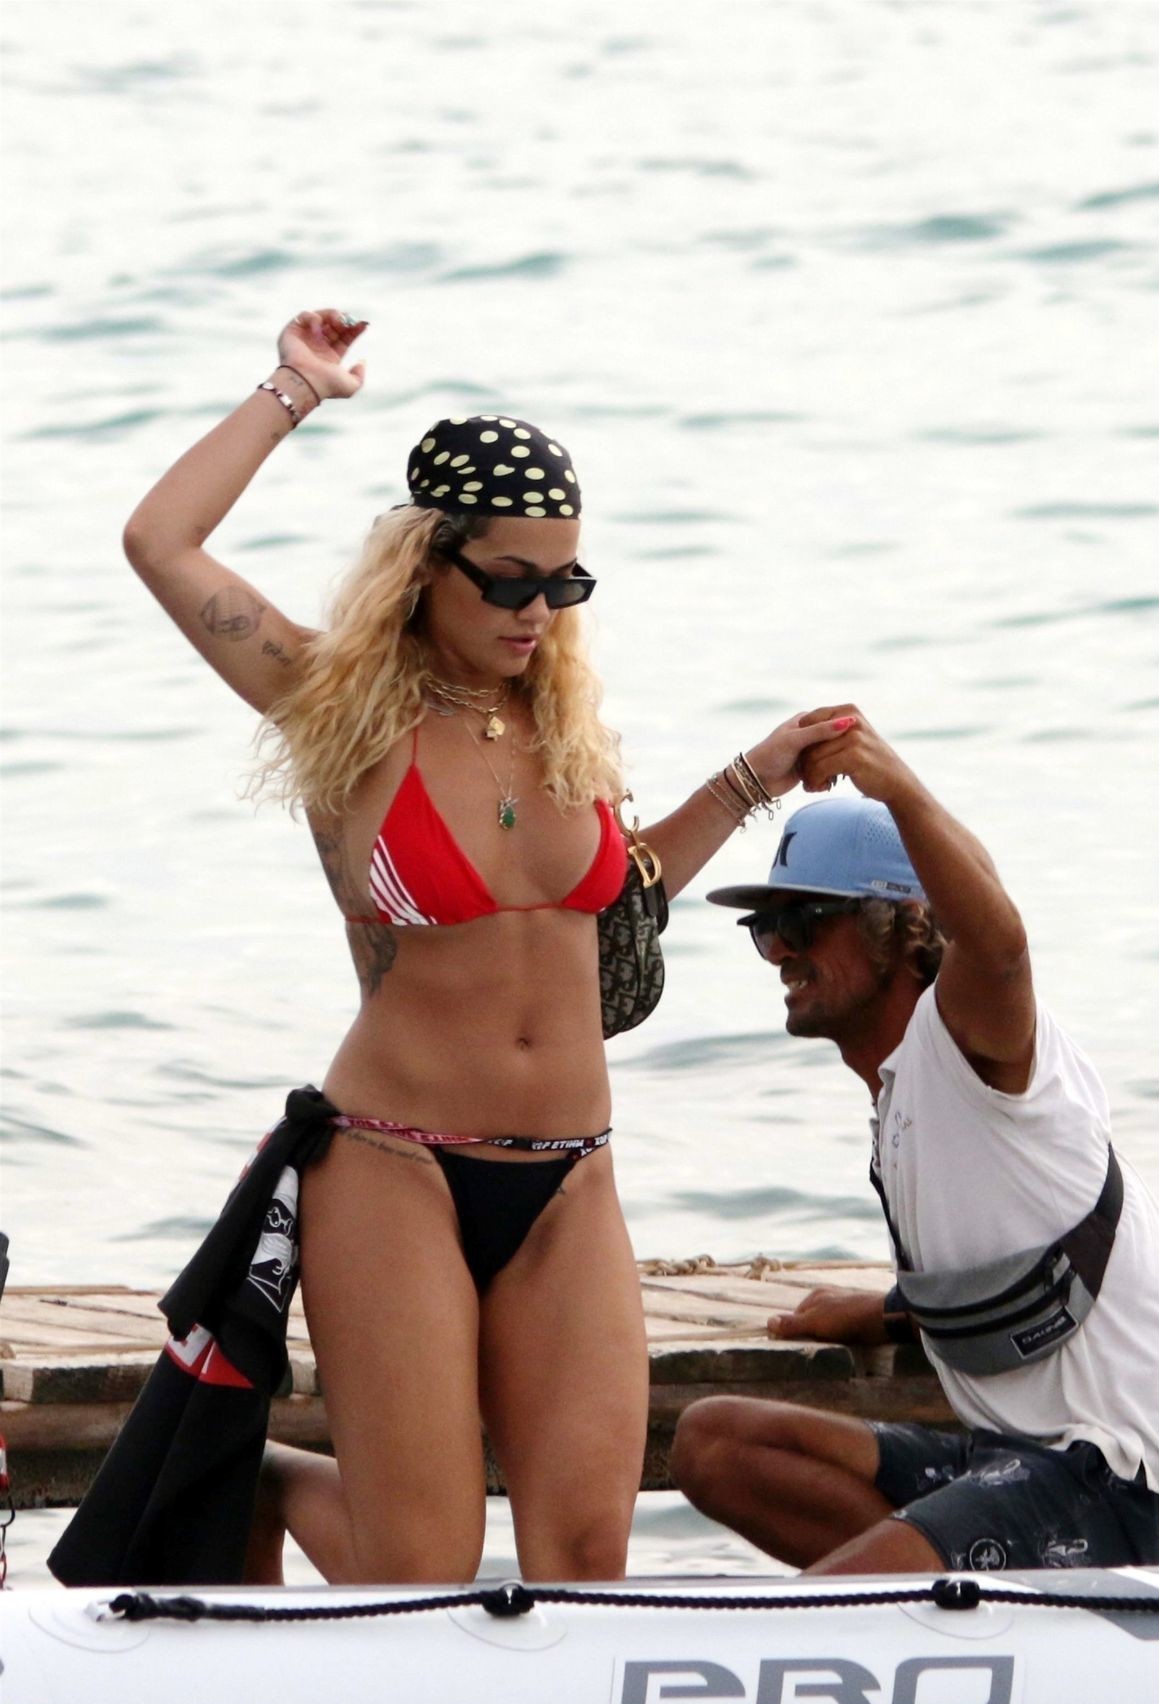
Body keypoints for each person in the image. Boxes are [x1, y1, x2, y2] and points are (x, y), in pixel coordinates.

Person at [51, 308, 856, 1591]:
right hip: (395, 1166)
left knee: (585, 1560)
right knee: (417, 1568)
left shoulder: (562, 721)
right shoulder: (336, 706)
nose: (540, 611)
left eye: (565, 583)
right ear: (425, 562)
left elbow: (617, 899)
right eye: (511, 580)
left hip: (569, 1176)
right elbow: (160, 540)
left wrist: (752, 776)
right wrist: (294, 388)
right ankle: (242, 1474)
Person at [671, 706, 1159, 1575]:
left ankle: (886, 1601)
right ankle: (924, 1604)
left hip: (1126, 1478)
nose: (779, 951)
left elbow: (1000, 944)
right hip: (1006, 1456)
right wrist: (883, 1311)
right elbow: (1004, 1259)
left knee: (821, 1607)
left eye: (803, 921)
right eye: (765, 928)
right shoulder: (899, 1094)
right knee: (712, 1443)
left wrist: (896, 788)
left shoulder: (976, 1042)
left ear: (895, 929)